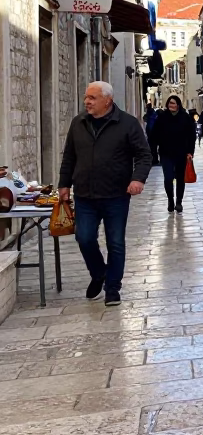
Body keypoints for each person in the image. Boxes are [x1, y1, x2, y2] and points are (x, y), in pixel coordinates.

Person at [57, 81, 151, 307]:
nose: (86, 101)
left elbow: (144, 155)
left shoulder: (127, 123)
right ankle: (99, 273)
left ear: (107, 100)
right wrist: (64, 184)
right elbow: (69, 156)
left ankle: (112, 288)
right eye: (85, 97)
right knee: (84, 237)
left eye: (92, 97)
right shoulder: (78, 123)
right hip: (85, 195)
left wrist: (137, 179)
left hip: (116, 194)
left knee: (115, 242)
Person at [150, 95, 196, 213]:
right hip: (166, 153)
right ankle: (170, 200)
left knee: (180, 178)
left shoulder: (185, 118)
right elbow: (154, 135)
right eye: (170, 103)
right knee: (168, 178)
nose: (171, 105)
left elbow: (191, 136)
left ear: (178, 105)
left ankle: (179, 202)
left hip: (182, 153)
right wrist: (154, 152)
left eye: (174, 103)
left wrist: (190, 152)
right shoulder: (162, 117)